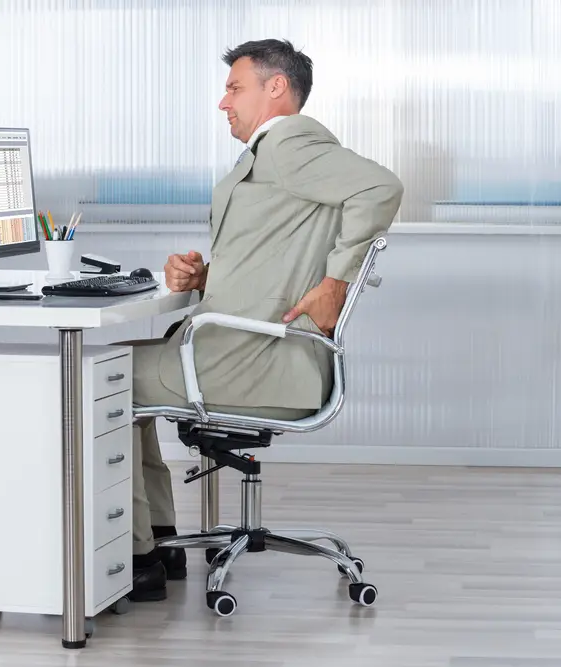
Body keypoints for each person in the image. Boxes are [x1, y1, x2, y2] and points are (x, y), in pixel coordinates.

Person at [125, 38, 404, 602]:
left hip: (254, 363)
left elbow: (383, 187)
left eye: (234, 87)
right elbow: (277, 255)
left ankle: (139, 557)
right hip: (261, 355)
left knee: (93, 379)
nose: (223, 102)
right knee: (117, 377)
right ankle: (153, 542)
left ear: (275, 88)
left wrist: (336, 282)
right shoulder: (273, 153)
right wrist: (205, 276)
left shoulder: (287, 142)